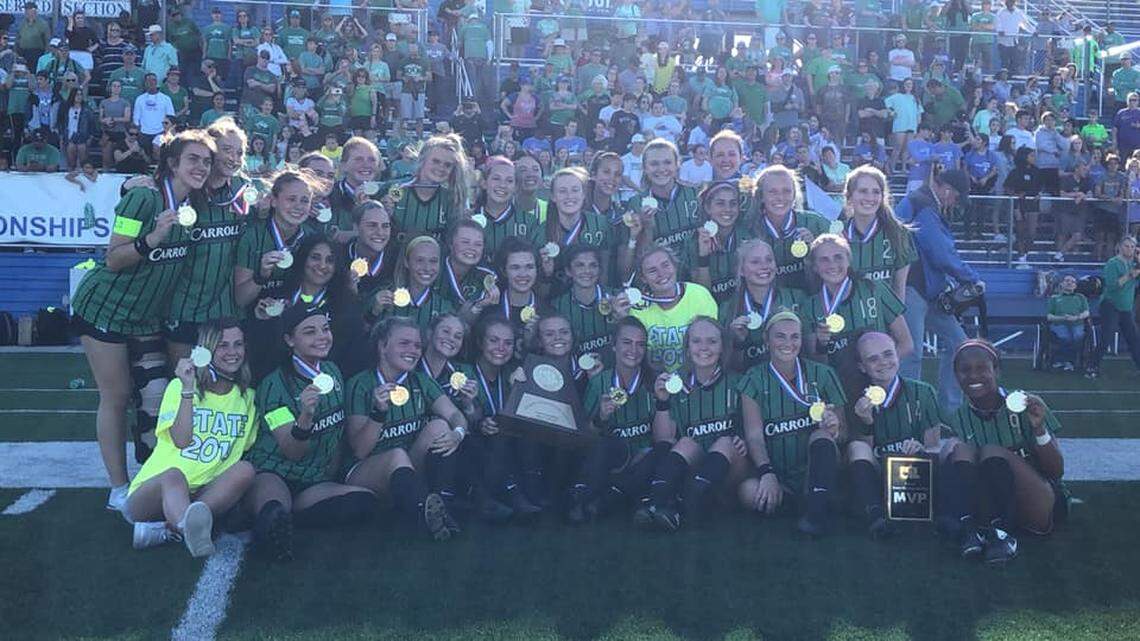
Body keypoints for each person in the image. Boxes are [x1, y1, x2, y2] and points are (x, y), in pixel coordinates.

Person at [70, 130, 216, 515]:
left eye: (206, 161)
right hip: (105, 309)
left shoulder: (197, 205)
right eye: (193, 159)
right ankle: (117, 488)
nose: (201, 167)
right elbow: (114, 258)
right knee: (116, 397)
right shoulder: (144, 197)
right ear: (172, 163)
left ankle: (151, 476)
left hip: (146, 317)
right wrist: (152, 238)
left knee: (155, 396)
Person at [243, 305, 377, 561]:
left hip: (313, 480)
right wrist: (305, 416)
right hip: (275, 472)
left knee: (366, 502)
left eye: (325, 329)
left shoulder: (333, 372)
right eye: (309, 332)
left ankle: (290, 518)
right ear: (289, 340)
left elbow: (336, 434)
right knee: (274, 509)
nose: (322, 337)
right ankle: (269, 515)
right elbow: (291, 452)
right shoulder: (274, 385)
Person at [126, 320, 257, 556]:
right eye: (222, 345)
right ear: (205, 351)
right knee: (174, 475)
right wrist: (188, 389)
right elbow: (182, 441)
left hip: (204, 496)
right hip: (155, 493)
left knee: (245, 469)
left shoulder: (247, 398)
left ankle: (172, 529)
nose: (232, 352)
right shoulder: (180, 387)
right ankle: (186, 528)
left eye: (238, 344)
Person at [343, 317, 465, 540]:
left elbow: (455, 415)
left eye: (418, 345)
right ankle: (423, 514)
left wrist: (457, 434)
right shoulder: (360, 384)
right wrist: (378, 412)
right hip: (365, 473)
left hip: (408, 469)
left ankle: (441, 507)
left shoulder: (419, 381)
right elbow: (360, 450)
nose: (413, 350)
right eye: (404, 343)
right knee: (396, 456)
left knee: (440, 426)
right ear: (382, 346)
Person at [948, 339, 1067, 564]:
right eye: (965, 370)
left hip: (1043, 503)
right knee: (959, 449)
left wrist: (1039, 429)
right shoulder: (958, 417)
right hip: (996, 506)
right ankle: (977, 529)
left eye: (982, 368)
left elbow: (1056, 471)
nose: (973, 376)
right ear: (956, 376)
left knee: (993, 451)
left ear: (997, 371)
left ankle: (1002, 535)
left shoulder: (1027, 404)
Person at [736, 311, 846, 535]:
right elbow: (754, 435)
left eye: (794, 337)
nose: (788, 343)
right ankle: (809, 503)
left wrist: (835, 428)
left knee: (821, 436)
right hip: (778, 473)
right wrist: (766, 473)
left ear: (802, 340)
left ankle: (815, 514)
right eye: (780, 336)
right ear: (766, 340)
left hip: (814, 470)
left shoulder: (824, 374)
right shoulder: (752, 378)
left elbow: (844, 433)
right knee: (747, 491)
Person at [636, 317, 747, 531]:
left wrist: (741, 438)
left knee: (724, 442)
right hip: (695, 467)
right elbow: (663, 440)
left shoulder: (737, 381)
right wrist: (662, 400)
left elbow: (753, 427)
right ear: (687, 347)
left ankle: (683, 508)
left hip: (731, 472)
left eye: (712, 342)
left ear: (723, 347)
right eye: (696, 341)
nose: (704, 348)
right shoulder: (676, 382)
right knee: (686, 442)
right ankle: (657, 505)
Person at [895, 169, 983, 411]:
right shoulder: (923, 205)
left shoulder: (921, 202)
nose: (955, 203)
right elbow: (940, 252)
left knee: (960, 345)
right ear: (946, 190)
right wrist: (971, 277)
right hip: (912, 289)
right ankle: (907, 415)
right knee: (911, 354)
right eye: (956, 197)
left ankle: (949, 412)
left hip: (925, 290)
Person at [844, 330, 947, 539]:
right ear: (862, 367)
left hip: (914, 478)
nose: (883, 362)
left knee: (950, 446)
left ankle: (937, 513)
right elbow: (863, 451)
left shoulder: (924, 392)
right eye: (873, 359)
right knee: (856, 447)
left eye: (888, 354)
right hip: (876, 476)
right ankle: (876, 516)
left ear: (897, 355)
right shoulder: (855, 399)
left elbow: (934, 445)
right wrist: (866, 422)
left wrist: (922, 450)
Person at [629, 245, 718, 372]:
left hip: (696, 374)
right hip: (656, 378)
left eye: (665, 265)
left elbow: (711, 345)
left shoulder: (700, 295)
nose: (661, 274)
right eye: (652, 271)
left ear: (675, 266)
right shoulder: (638, 308)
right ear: (643, 278)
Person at [748, 164, 831, 291]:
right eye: (772, 192)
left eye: (786, 191)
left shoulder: (817, 223)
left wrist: (816, 251)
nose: (780, 197)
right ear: (761, 196)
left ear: (794, 195)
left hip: (811, 303)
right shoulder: (748, 229)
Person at [390, 134, 470, 248]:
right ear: (422, 159)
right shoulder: (398, 189)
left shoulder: (451, 198)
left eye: (447, 165)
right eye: (436, 161)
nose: (441, 168)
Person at [1091, 236, 1140, 376]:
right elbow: (1112, 285)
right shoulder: (1113, 263)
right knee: (1106, 336)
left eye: (1132, 247)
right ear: (1119, 247)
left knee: (1133, 338)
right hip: (1110, 304)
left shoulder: (1134, 264)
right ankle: (1093, 366)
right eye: (1126, 246)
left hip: (1126, 306)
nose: (1129, 249)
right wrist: (1130, 276)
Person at [1046, 273, 1090, 372]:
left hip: (1077, 323)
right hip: (1059, 324)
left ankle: (1069, 361)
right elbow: (1049, 316)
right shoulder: (1054, 298)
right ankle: (1064, 361)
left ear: (1075, 285)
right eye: (1067, 281)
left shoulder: (1081, 297)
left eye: (1072, 282)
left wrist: (1076, 317)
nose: (1069, 283)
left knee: (1077, 336)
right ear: (1062, 284)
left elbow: (1086, 312)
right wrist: (1062, 318)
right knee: (1065, 337)